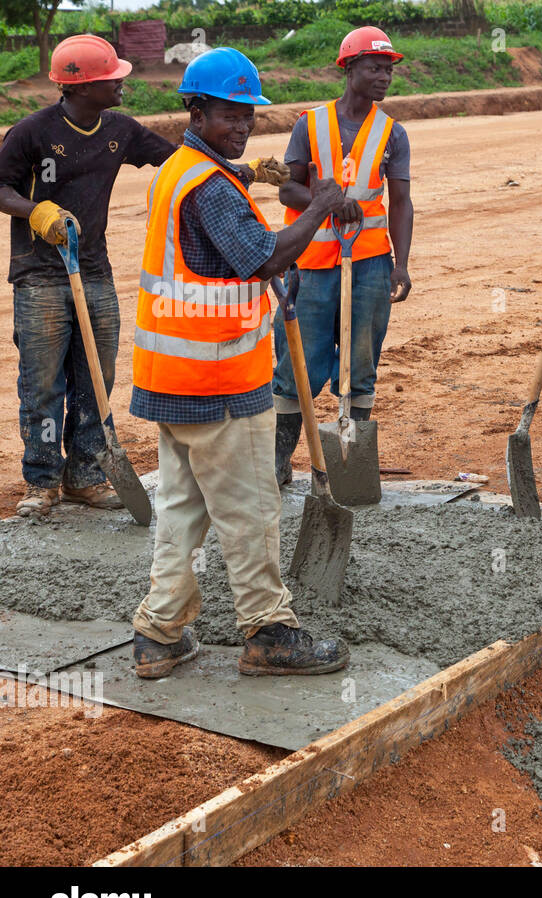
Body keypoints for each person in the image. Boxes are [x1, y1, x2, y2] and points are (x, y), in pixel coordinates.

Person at [130, 48, 349, 679]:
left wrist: (250, 173)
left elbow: (221, 259)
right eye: (230, 114)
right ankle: (269, 631)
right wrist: (319, 206)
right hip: (219, 381)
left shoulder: (180, 170)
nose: (243, 125)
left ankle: (159, 633)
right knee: (252, 509)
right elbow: (263, 257)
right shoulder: (210, 188)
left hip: (170, 383)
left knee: (182, 508)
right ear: (196, 110)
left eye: (248, 115)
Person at [0, 35, 286, 519]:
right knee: (43, 381)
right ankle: (42, 480)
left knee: (96, 374)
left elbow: (186, 161)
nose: (122, 84)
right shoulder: (31, 132)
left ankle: (86, 474)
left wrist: (245, 171)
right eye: (112, 78)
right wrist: (35, 212)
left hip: (93, 268)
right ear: (81, 86)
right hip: (39, 275)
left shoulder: (121, 130)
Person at [272, 26, 414, 484]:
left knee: (361, 364)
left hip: (371, 262)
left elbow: (400, 202)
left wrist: (402, 264)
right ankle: (279, 461)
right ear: (348, 69)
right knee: (300, 363)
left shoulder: (393, 133)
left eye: (388, 70)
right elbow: (286, 188)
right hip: (311, 265)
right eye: (374, 68)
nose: (384, 77)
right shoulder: (309, 124)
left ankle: (351, 466)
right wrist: (324, 199)